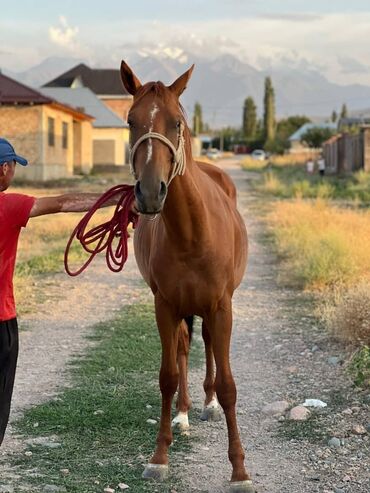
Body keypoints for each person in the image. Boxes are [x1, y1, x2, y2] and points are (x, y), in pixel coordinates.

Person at [0, 138, 123, 447]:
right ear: (3, 168)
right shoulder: (9, 206)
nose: (14, 171)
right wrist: (115, 199)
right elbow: (62, 203)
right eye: (13, 165)